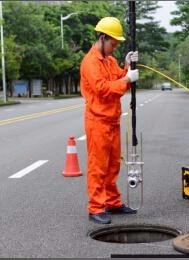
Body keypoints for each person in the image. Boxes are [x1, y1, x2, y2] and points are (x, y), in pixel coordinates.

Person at [80, 17, 139, 224]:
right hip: (97, 121)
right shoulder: (90, 62)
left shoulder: (110, 60)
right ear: (102, 38)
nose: (114, 48)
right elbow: (103, 89)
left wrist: (127, 67)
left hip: (112, 120)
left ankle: (112, 202)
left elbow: (119, 81)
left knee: (113, 165)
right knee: (98, 166)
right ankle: (96, 207)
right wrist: (126, 80)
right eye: (112, 44)